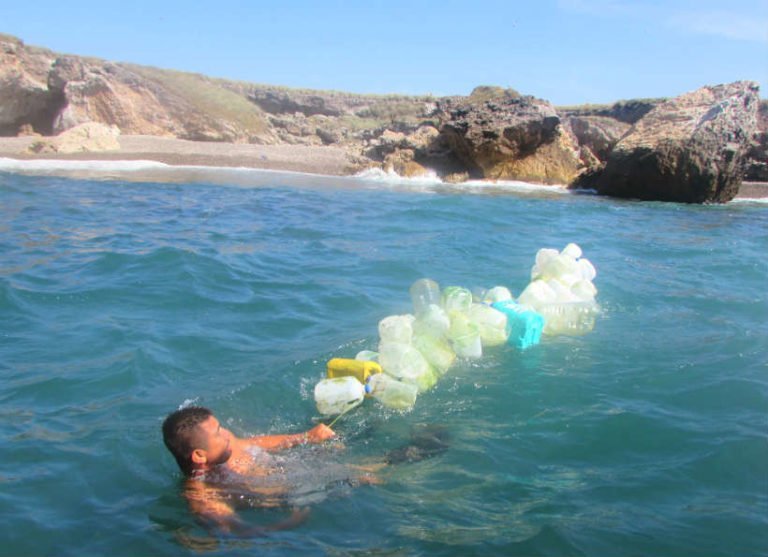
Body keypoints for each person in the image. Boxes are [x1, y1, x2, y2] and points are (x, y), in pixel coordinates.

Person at [162, 405, 337, 536]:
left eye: (220, 427)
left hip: (290, 465)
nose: (225, 433)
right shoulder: (205, 498)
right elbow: (244, 533)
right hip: (293, 494)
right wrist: (290, 523)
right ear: (200, 456)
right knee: (351, 473)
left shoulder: (223, 445)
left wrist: (306, 437)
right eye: (218, 432)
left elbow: (254, 444)